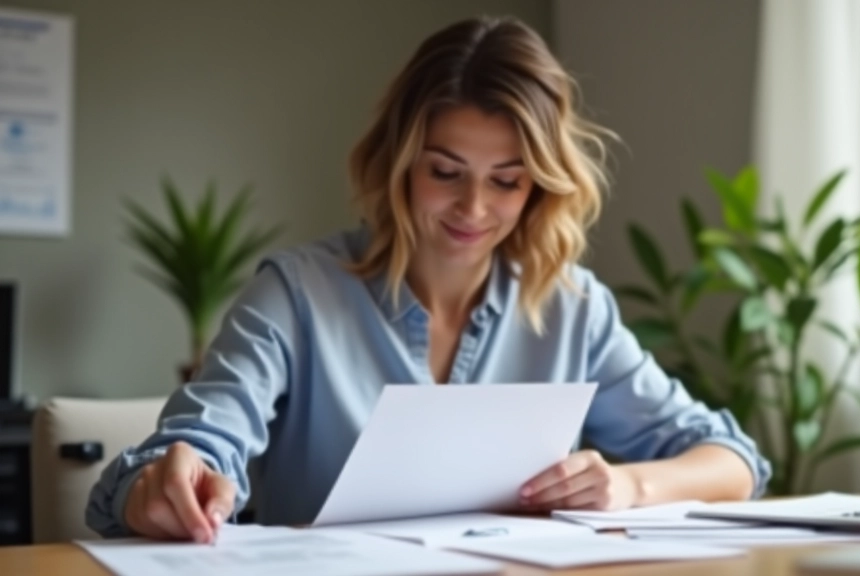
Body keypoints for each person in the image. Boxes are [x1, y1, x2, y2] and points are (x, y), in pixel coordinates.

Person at [86, 15, 770, 544]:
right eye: (445, 172)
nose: (474, 209)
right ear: (399, 162)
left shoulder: (573, 310)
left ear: (540, 188)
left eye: (507, 181)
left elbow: (733, 461)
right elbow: (199, 447)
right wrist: (168, 481)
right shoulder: (295, 297)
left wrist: (627, 485)